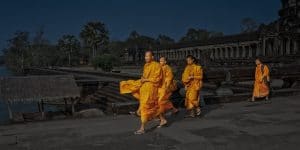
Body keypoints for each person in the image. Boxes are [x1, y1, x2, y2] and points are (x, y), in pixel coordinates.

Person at [120, 51, 162, 134]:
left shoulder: (157, 66)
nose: (146, 58)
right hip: (144, 86)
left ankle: (142, 128)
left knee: (145, 107)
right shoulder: (146, 65)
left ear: (152, 57)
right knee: (130, 87)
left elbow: (157, 79)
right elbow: (144, 76)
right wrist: (142, 79)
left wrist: (146, 79)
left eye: (148, 56)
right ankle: (162, 119)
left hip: (151, 88)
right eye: (145, 56)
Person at [157, 56, 179, 127]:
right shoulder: (161, 67)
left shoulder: (167, 67)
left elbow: (169, 77)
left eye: (161, 61)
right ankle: (174, 109)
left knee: (160, 102)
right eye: (159, 61)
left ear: (165, 62)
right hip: (162, 87)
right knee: (164, 101)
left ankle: (162, 119)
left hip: (166, 87)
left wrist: (166, 86)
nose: (160, 62)